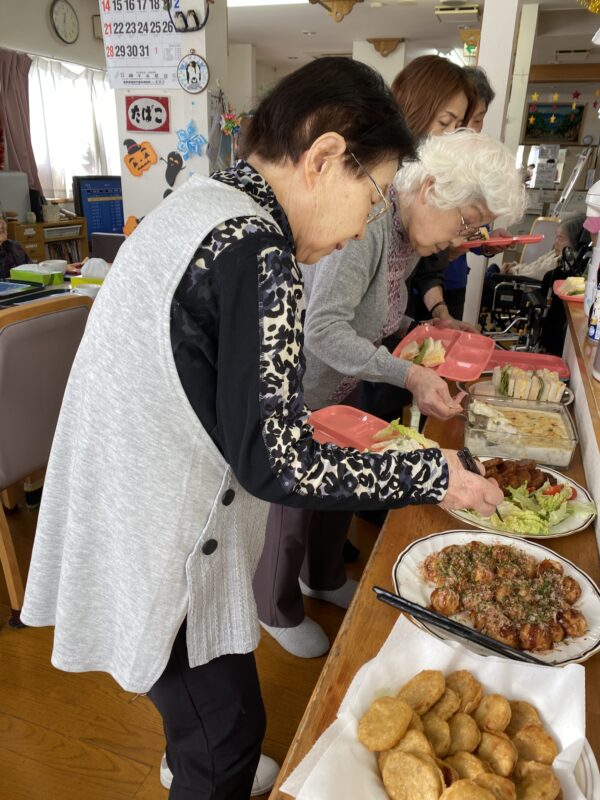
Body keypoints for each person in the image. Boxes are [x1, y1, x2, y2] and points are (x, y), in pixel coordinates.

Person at [19, 58, 503, 800]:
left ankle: (192, 753)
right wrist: (433, 473)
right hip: (160, 535)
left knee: (206, 714)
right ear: (324, 159)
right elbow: (279, 463)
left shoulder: (201, 200)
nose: (363, 226)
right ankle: (205, 764)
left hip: (117, 500)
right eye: (373, 196)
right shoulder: (259, 250)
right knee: (229, 732)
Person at [254, 129, 527, 659]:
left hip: (341, 390)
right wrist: (409, 375)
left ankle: (322, 578)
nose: (462, 238)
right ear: (431, 189)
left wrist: (425, 331)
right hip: (301, 390)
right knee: (293, 507)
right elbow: (323, 330)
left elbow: (372, 318)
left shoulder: (405, 237)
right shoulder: (371, 226)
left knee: (339, 492)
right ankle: (274, 607)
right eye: (467, 221)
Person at [391, 55, 480, 329]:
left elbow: (426, 269)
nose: (449, 137)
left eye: (457, 126)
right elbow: (329, 326)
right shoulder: (380, 188)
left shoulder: (431, 173)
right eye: (444, 122)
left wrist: (439, 314)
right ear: (413, 109)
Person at [441, 66, 512, 321]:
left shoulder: (477, 165)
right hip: (416, 284)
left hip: (453, 281)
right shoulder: (431, 162)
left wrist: (488, 242)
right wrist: (442, 252)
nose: (472, 129)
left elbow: (474, 229)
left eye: (479, 120)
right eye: (464, 119)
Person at [500, 215, 586, 280]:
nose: (555, 242)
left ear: (575, 241)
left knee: (492, 274)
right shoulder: (554, 253)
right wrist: (515, 266)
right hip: (517, 274)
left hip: (525, 285)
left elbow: (536, 273)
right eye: (556, 237)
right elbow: (534, 266)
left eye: (561, 238)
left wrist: (512, 270)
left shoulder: (563, 262)